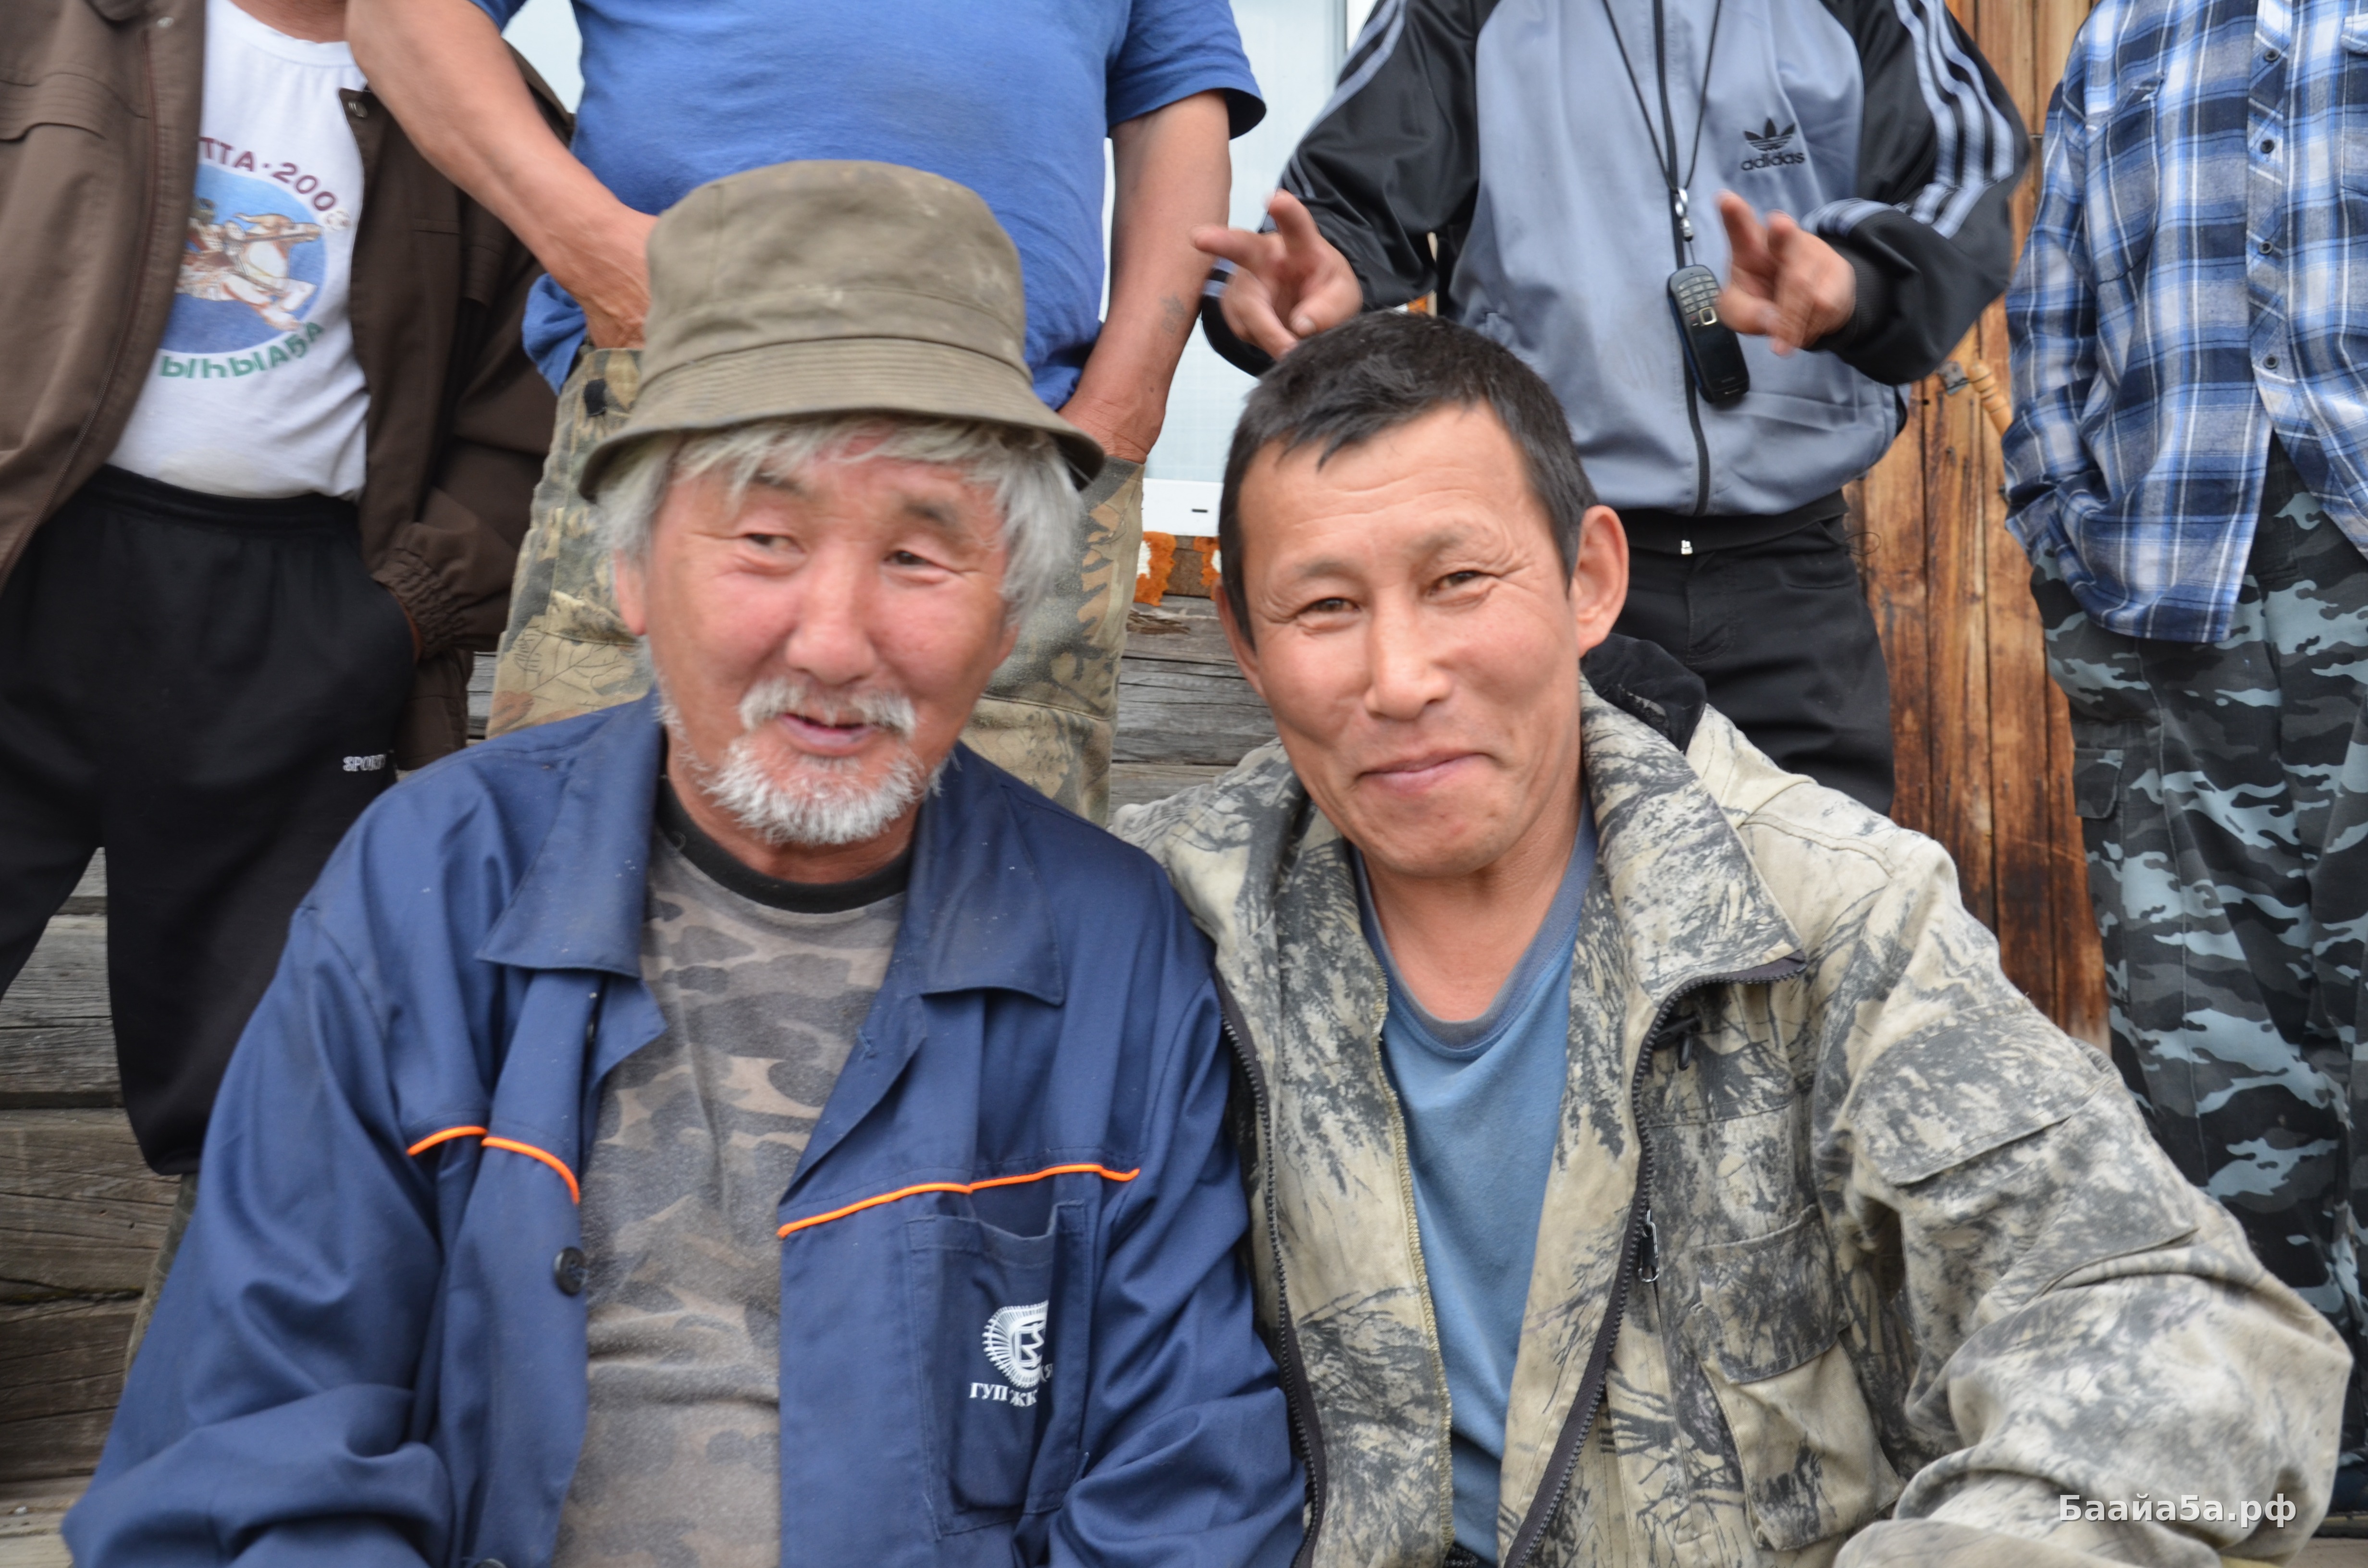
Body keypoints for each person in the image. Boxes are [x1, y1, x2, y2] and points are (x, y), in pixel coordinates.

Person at [65, 160, 1304, 1568]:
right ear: (633, 572)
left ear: (1010, 611)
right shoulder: (432, 884)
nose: (833, 642)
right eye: (765, 539)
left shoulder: (1111, 950)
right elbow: (261, 1446)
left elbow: (1184, 1490)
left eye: (920, 555)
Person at [1113, 311, 2344, 1567]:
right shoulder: (1159, 922)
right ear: (1246, 645)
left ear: (1590, 580)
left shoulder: (1833, 914)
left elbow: (2196, 1346)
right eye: (1324, 606)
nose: (1401, 677)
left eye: (1459, 582)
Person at [346, 0, 1264, 821]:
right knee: (580, 840)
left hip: (1020, 447)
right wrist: (603, 259)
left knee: (1015, 877)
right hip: (681, 403)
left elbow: (1174, 105)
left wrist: (1123, 409)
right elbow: (401, 17)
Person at [1191, 0, 2032, 814]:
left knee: (1818, 881)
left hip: (1791, 573)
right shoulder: (1460, 10)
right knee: (1546, 877)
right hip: (1543, 566)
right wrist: (1309, 279)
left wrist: (1861, 279)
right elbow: (1341, 208)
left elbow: (1965, 163)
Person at [0, 0, 553, 1208]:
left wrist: (400, 615)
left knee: (258, 1091)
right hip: (33, 554)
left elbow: (525, 411)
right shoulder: (53, 28)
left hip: (298, 614)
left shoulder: (487, 106)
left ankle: (227, 1331)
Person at [2004, 0, 2368, 1507]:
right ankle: (2289, 1454)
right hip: (2167, 614)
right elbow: (2051, 322)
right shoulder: (2122, 41)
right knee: (2209, 1059)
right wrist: (2063, 549)